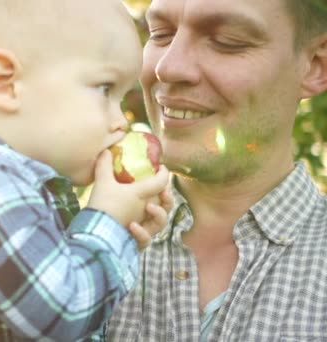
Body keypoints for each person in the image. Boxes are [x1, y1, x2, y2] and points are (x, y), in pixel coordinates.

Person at [0, 0, 173, 340]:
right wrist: (109, 221)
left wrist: (124, 233)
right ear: (6, 83)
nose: (120, 120)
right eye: (105, 89)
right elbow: (64, 314)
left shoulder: (11, 182)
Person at [108, 0, 327, 341]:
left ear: (315, 66)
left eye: (227, 40)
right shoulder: (74, 252)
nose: (168, 67)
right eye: (160, 34)